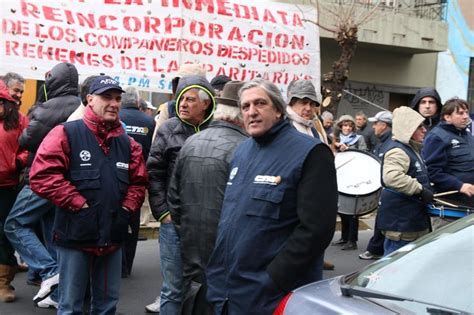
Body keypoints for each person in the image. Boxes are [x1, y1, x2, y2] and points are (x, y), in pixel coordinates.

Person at [206, 79, 338, 314]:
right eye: (245, 106)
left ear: (278, 109)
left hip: (270, 295)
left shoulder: (311, 153)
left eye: (260, 104)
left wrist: (274, 279)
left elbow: (316, 230)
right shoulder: (242, 151)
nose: (252, 112)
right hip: (228, 290)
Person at [29, 75, 148, 314]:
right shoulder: (65, 133)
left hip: (112, 237)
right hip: (75, 235)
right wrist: (80, 205)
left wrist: (126, 210)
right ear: (90, 99)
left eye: (117, 98)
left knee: (107, 306)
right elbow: (41, 176)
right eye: (107, 97)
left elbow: (138, 182)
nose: (114, 103)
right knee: (70, 306)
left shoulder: (128, 144)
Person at [4, 62, 81, 309]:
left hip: (44, 177)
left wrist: (38, 106)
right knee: (52, 232)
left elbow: (27, 140)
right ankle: (58, 295)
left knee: (14, 223)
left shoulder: (44, 108)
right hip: (71, 181)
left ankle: (50, 272)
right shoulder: (83, 106)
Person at [168, 81, 247, 314]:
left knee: (193, 295)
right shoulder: (246, 147)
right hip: (226, 250)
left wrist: (185, 230)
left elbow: (174, 196)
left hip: (191, 242)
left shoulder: (192, 141)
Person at [146, 75, 215, 314]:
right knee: (173, 289)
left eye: (190, 99)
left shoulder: (217, 130)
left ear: (206, 104)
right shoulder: (167, 129)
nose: (182, 104)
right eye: (181, 99)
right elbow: (154, 172)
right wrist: (163, 213)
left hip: (208, 225)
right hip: (173, 223)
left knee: (207, 287)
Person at [286, 80, 334, 270]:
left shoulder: (314, 125)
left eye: (311, 103)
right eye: (302, 103)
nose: (308, 108)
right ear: (292, 103)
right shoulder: (286, 126)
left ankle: (316, 258)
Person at [377, 106, 433, 256]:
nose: (424, 130)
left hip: (411, 221)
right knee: (394, 270)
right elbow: (391, 177)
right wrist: (420, 189)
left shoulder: (412, 149)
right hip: (401, 225)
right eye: (419, 126)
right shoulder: (398, 151)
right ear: (408, 129)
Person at [119, 87, 156, 277]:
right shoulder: (149, 121)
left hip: (118, 176)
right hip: (139, 177)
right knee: (132, 222)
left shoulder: (115, 118)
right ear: (138, 100)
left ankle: (115, 263)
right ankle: (127, 266)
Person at [422, 98, 473, 227]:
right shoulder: (436, 137)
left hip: (469, 206)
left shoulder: (467, 135)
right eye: (460, 113)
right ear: (447, 117)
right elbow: (432, 171)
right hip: (450, 210)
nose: (466, 116)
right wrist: (459, 185)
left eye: (466, 112)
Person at [0, 81, 28, 303]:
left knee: (4, 233)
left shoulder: (18, 119)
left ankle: (3, 282)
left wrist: (17, 162)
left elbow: (30, 145)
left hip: (8, 186)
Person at [359, 110, 393, 260]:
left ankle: (376, 249)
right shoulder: (383, 142)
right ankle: (375, 248)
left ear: (384, 125)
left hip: (387, 192)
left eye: (376, 124)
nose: (373, 127)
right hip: (383, 191)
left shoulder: (390, 144)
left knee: (383, 219)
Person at [332, 114, 367, 250]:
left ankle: (352, 240)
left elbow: (364, 153)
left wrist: (349, 149)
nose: (347, 128)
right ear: (340, 126)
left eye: (349, 125)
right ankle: (344, 237)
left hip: (354, 176)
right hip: (340, 175)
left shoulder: (359, 139)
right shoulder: (335, 139)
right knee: (342, 208)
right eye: (344, 125)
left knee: (353, 209)